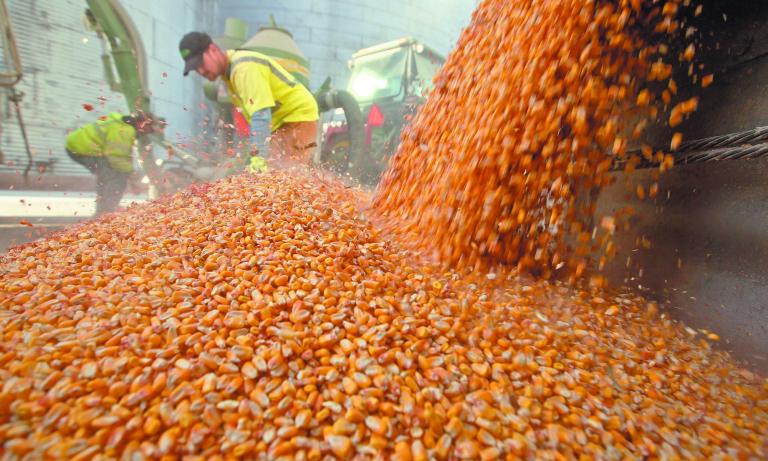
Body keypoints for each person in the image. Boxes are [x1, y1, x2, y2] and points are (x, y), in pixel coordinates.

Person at [179, 31, 319, 166]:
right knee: (273, 174)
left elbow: (261, 115)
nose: (201, 71)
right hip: (283, 122)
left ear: (213, 49)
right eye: (196, 69)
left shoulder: (243, 68)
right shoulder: (230, 74)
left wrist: (258, 159)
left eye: (201, 64)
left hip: (297, 117)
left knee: (285, 173)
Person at [65, 111, 160, 215]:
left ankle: (104, 208)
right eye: (148, 129)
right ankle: (106, 212)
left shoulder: (122, 124)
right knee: (116, 177)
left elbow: (120, 157)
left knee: (107, 175)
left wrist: (130, 176)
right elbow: (118, 157)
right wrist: (132, 178)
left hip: (79, 146)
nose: (147, 133)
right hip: (80, 149)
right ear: (143, 123)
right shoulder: (124, 130)